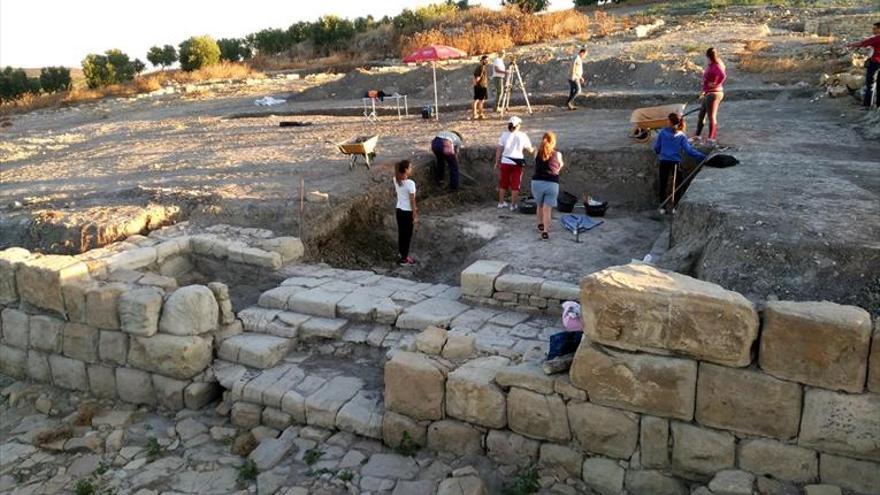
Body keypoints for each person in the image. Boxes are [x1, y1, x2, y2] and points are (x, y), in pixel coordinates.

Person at [654, 113, 707, 214]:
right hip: (675, 163)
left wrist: (662, 152)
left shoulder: (662, 133)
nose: (666, 122)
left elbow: (656, 148)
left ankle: (662, 207)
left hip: (664, 161)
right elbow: (689, 151)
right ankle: (675, 207)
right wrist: (703, 157)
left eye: (668, 120)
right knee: (677, 185)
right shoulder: (681, 136)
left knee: (663, 184)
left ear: (670, 122)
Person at [495, 116, 535, 211]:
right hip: (517, 162)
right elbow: (529, 149)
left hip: (505, 161)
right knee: (515, 184)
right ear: (517, 126)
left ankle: (501, 203)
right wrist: (534, 149)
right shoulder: (523, 135)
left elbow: (499, 149)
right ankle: (513, 205)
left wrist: (497, 161)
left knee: (503, 183)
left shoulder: (504, 135)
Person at [531, 132, 564, 240]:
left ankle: (540, 224)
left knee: (539, 205)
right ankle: (545, 231)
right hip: (552, 184)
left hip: (537, 183)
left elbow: (536, 164)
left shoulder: (536, 152)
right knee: (547, 209)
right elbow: (559, 167)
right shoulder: (558, 154)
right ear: (553, 142)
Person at [694, 47, 727, 145]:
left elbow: (723, 75)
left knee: (711, 116)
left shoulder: (717, 65)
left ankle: (711, 139)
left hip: (714, 94)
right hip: (708, 92)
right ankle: (697, 136)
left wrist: (716, 83)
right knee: (701, 115)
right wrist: (704, 91)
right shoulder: (712, 64)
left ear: (709, 56)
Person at [846, 22, 880, 108]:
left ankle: (867, 105)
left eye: (874, 28)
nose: (873, 30)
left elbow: (863, 43)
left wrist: (850, 45)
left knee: (870, 85)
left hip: (875, 63)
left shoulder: (876, 38)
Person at [393, 160, 418, 266]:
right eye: (410, 167)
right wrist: (415, 214)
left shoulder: (395, 179)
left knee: (401, 234)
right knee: (407, 236)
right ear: (406, 170)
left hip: (399, 210)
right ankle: (404, 259)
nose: (411, 169)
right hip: (407, 212)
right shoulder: (410, 183)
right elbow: (412, 200)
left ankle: (402, 254)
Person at [472, 55, 490, 119]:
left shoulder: (481, 67)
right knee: (480, 101)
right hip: (481, 86)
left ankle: (477, 114)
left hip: (480, 85)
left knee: (477, 100)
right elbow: (477, 77)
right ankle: (479, 114)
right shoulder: (481, 67)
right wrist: (477, 83)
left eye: (487, 60)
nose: (487, 62)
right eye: (486, 60)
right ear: (482, 60)